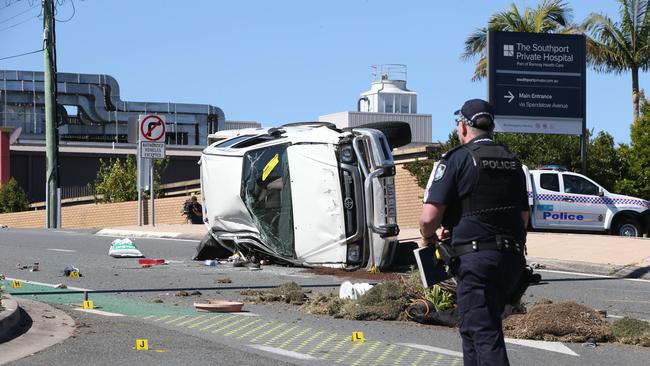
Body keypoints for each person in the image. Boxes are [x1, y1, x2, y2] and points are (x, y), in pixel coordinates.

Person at [419, 99, 528, 365]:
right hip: (511, 260)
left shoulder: (458, 159)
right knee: (471, 326)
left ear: (464, 127)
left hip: (477, 260)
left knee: (484, 333)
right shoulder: (513, 162)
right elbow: (523, 216)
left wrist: (428, 236)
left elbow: (429, 217)